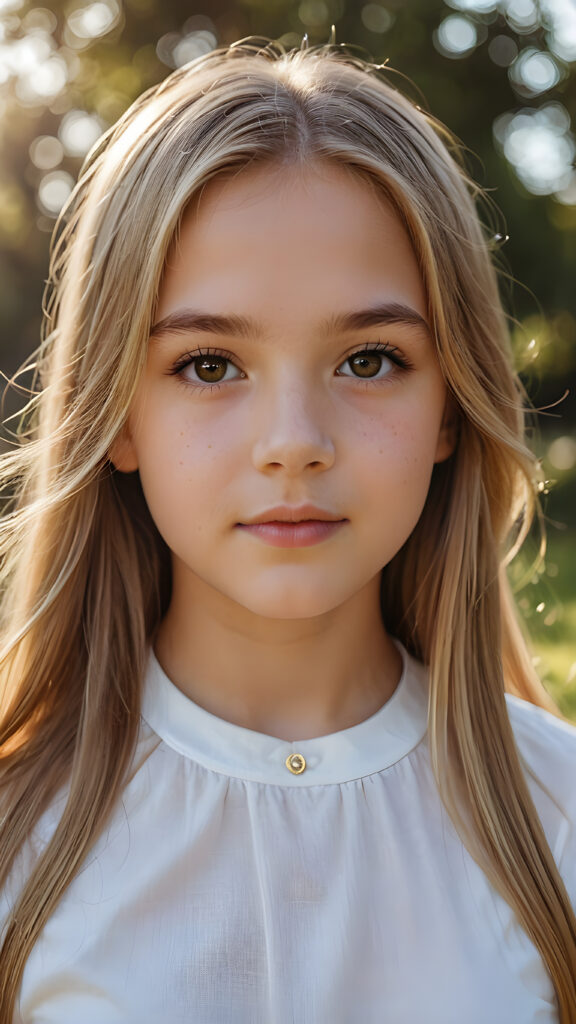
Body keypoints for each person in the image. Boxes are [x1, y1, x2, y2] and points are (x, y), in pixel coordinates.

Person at [0, 35, 574, 1024]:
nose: (295, 444)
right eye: (210, 365)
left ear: (450, 406)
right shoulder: (18, 839)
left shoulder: (558, 819)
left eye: (369, 359)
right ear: (118, 415)